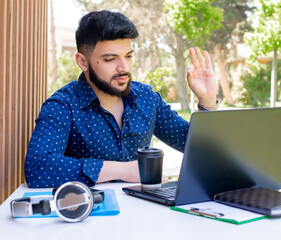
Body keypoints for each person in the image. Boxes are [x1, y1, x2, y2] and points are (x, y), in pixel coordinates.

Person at [25, 10, 219, 188]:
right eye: (110, 59)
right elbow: (37, 167)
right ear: (82, 62)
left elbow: (195, 146)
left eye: (128, 56)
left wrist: (207, 101)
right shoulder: (62, 105)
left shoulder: (147, 98)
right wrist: (124, 170)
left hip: (145, 214)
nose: (123, 67)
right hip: (88, 219)